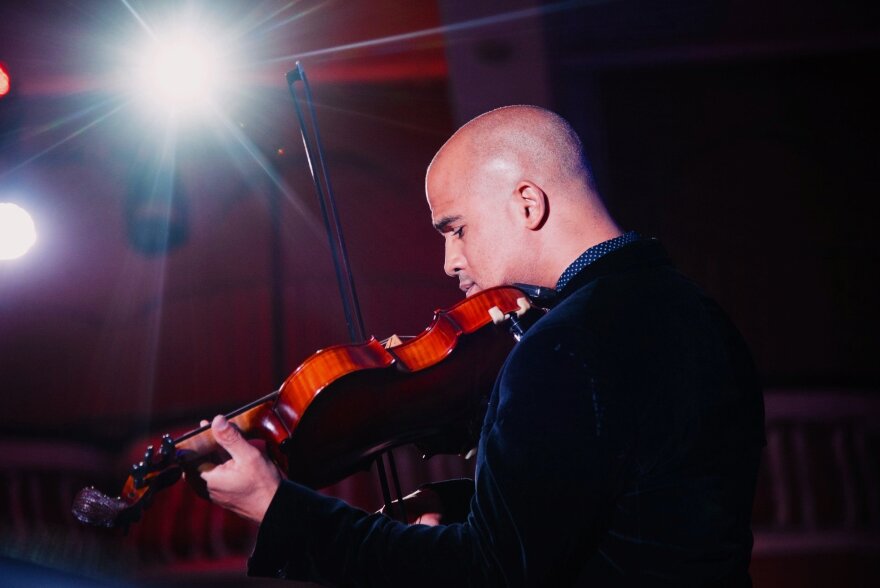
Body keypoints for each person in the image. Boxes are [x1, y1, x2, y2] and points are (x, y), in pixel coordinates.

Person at [200, 105, 765, 586]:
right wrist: (467, 504)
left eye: (456, 229)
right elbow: (636, 508)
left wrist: (279, 511)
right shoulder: (696, 311)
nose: (450, 262)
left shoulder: (564, 346)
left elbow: (485, 573)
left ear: (527, 203)